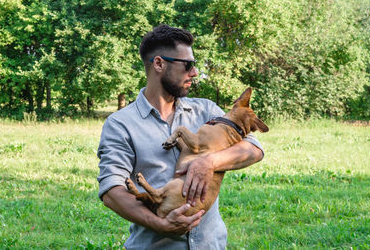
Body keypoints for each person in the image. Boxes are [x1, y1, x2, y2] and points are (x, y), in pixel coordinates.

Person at [97, 24, 265, 249]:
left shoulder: (207, 110)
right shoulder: (120, 124)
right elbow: (111, 190)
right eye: (188, 65)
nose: (194, 72)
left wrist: (209, 162)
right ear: (159, 63)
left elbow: (254, 149)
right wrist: (160, 224)